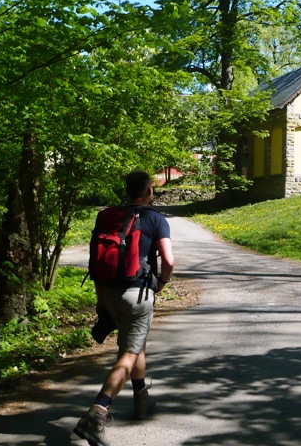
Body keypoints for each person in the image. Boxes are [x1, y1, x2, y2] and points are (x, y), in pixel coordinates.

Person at [74, 171, 175, 446]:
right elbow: (168, 259)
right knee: (128, 355)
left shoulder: (109, 216)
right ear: (149, 190)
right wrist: (162, 283)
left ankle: (142, 400)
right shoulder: (156, 218)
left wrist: (100, 299)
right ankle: (97, 414)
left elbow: (96, 259)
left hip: (108, 291)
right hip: (137, 294)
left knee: (135, 343)